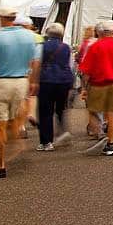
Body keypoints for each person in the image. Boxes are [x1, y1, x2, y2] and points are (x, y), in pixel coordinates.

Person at [0, 7, 41, 179]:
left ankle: (1, 165)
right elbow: (35, 62)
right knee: (13, 120)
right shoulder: (28, 37)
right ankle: (17, 145)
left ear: (1, 19)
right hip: (21, 80)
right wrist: (33, 81)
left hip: (0, 82)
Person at [78, 20, 113, 156]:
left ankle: (100, 133)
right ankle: (110, 144)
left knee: (92, 110)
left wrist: (84, 88)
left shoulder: (95, 46)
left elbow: (86, 71)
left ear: (100, 32)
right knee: (111, 113)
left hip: (97, 84)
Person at [37, 22, 74, 151]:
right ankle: (63, 132)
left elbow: (37, 63)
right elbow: (70, 65)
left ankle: (46, 142)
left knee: (45, 111)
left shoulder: (42, 47)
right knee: (60, 109)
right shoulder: (66, 47)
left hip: (46, 80)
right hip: (64, 81)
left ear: (48, 33)